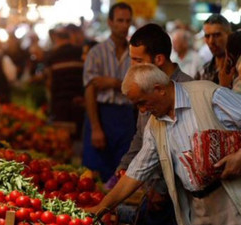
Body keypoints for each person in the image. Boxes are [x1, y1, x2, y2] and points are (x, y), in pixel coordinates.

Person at [87, 63, 241, 225]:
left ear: (159, 89)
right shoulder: (155, 125)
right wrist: (101, 208)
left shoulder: (208, 95)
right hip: (197, 208)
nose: (142, 111)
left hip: (232, 200)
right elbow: (136, 173)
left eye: (142, 102)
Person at [115, 23, 193, 225]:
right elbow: (141, 135)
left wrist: (160, 188)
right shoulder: (144, 85)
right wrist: (125, 164)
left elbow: (182, 150)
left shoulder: (186, 90)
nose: (132, 67)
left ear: (158, 59)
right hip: (151, 188)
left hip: (179, 197)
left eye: (138, 60)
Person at [82, 2, 135, 182]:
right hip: (101, 114)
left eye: (127, 21)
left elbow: (138, 89)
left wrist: (113, 83)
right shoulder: (96, 53)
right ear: (110, 22)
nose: (124, 25)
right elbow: (90, 91)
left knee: (122, 172)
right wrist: (96, 128)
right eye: (120, 20)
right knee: (96, 174)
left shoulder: (134, 54)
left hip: (126, 116)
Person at [44, 27, 84, 140]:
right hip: (79, 105)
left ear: (56, 39)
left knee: (61, 144)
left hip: (59, 106)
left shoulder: (52, 56)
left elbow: (49, 82)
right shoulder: (80, 52)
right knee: (76, 141)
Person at [195, 14, 231, 86]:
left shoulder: (237, 69)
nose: (211, 41)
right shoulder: (203, 71)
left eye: (217, 35)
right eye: (207, 36)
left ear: (229, 35)